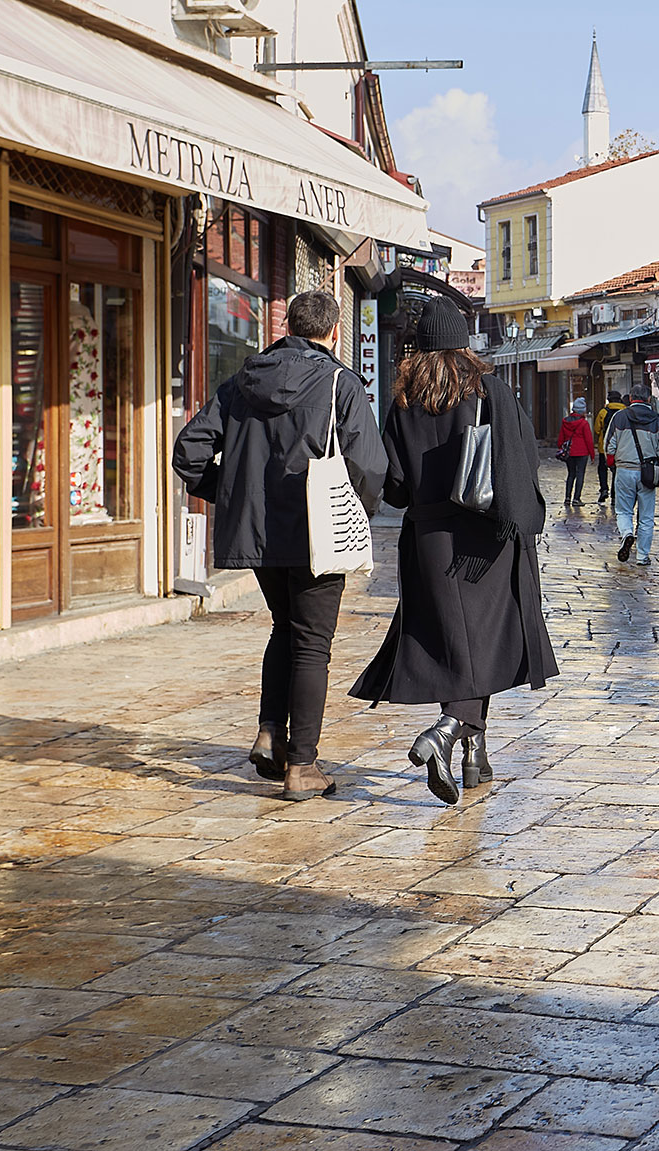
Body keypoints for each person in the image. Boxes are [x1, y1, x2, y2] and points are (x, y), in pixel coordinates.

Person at [172, 289, 385, 802]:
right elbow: (370, 467)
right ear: (335, 332)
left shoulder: (241, 382)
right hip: (319, 534)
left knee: (284, 629)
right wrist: (357, 510)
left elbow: (188, 453)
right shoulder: (341, 384)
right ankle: (302, 765)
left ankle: (271, 732)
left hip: (260, 535)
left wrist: (232, 493)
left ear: (286, 324)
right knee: (311, 643)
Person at [350, 299, 556, 806]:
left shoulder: (403, 404)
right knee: (483, 645)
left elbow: (394, 483)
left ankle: (474, 757)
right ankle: (446, 731)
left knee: (461, 648)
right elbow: (523, 461)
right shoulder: (491, 392)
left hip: (428, 540)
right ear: (465, 343)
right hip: (486, 538)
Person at [608, 391, 659, 566]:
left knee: (623, 511)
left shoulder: (619, 417)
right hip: (647, 472)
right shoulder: (656, 419)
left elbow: (609, 445)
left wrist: (612, 461)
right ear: (648, 399)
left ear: (630, 399)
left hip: (624, 469)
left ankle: (627, 533)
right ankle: (642, 556)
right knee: (646, 517)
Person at [554, 396, 597, 512]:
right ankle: (576, 498)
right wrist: (592, 454)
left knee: (571, 474)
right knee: (580, 474)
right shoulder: (583, 423)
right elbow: (589, 440)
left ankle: (567, 497)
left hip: (569, 452)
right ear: (582, 410)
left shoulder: (565, 421)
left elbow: (561, 438)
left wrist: (561, 448)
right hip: (582, 452)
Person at [592, 393, 623, 504]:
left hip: (604, 447)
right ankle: (614, 495)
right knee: (616, 471)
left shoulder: (603, 412)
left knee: (602, 469)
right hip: (621, 447)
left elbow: (596, 429)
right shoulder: (625, 412)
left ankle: (604, 489)